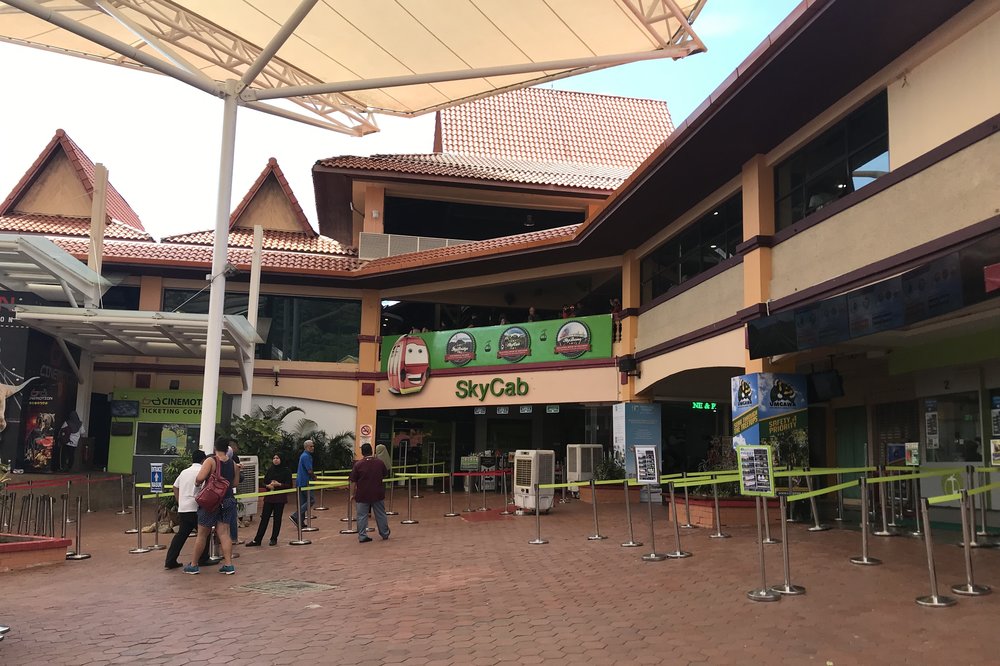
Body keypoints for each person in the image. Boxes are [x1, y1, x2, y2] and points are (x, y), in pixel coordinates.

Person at [183, 438, 238, 575]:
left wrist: (197, 484)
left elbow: (200, 478)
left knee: (202, 533)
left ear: (215, 448)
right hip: (228, 500)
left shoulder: (211, 461)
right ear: (227, 449)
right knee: (224, 533)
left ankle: (194, 564)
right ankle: (228, 564)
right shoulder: (234, 464)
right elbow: (235, 483)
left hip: (211, 502)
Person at [164, 450, 206, 569]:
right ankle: (203, 558)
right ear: (203, 460)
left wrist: (180, 501)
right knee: (204, 534)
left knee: (181, 535)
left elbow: (175, 486)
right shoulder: (202, 471)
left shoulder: (184, 472)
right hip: (197, 508)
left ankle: (170, 560)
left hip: (184, 508)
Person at [246, 453, 292, 547]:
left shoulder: (286, 471)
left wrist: (279, 484)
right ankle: (257, 539)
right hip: (269, 497)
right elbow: (264, 481)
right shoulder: (270, 470)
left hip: (279, 498)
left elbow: (289, 485)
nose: (275, 460)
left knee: (277, 518)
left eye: (278, 458)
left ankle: (274, 538)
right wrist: (268, 485)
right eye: (274, 458)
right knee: (264, 518)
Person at [349, 443, 390, 542]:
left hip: (362, 494)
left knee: (362, 515)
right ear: (372, 451)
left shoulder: (358, 464)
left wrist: (352, 494)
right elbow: (385, 474)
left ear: (362, 452)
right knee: (380, 514)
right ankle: (384, 533)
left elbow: (353, 481)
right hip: (377, 492)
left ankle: (362, 535)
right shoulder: (379, 463)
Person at [289, 439, 316, 527]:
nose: (313, 447)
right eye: (311, 446)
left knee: (303, 502)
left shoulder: (303, 456)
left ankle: (300, 521)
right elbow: (309, 470)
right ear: (306, 447)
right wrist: (314, 477)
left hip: (300, 482)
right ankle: (295, 515)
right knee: (311, 500)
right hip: (305, 482)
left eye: (313, 446)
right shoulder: (306, 456)